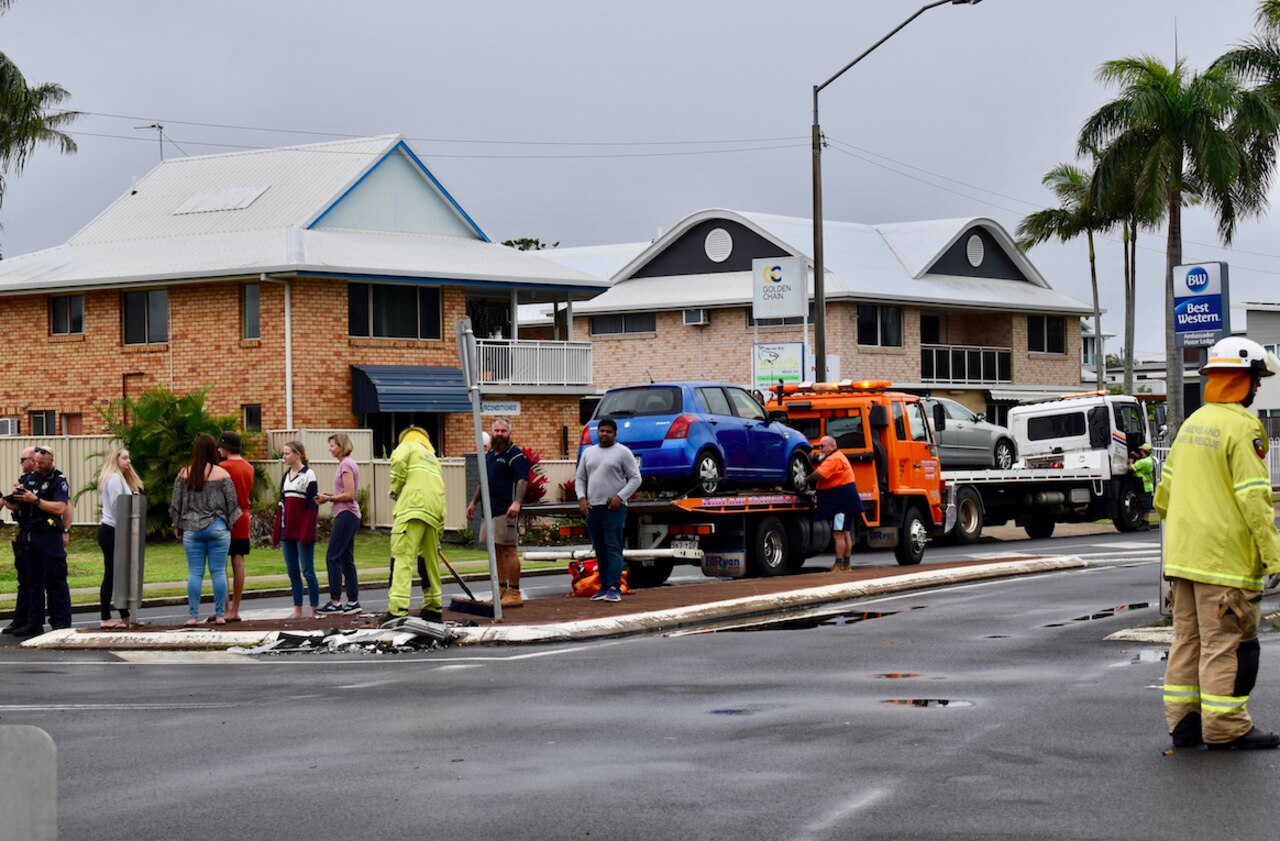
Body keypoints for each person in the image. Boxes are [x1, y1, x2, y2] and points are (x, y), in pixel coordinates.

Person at [1155, 336, 1280, 751]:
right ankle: (1226, 728)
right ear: (1240, 381)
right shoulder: (1244, 428)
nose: (1258, 387)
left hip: (1183, 559)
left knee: (1187, 642)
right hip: (1223, 562)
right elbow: (1254, 499)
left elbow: (1163, 495)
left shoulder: (1192, 424)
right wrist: (1273, 555)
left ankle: (1185, 726)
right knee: (1226, 645)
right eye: (1255, 379)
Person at [170, 434, 241, 627]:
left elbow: (176, 503)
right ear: (212, 450)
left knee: (195, 573)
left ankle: (193, 616)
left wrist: (177, 525)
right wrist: (228, 524)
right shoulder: (222, 474)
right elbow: (233, 503)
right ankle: (220, 615)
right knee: (218, 572)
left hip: (192, 529)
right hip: (217, 527)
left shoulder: (184, 473)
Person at [385, 426, 447, 624]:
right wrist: (440, 528)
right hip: (433, 513)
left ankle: (397, 609)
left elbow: (398, 461)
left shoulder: (408, 446)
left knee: (402, 557)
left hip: (411, 508)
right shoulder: (433, 459)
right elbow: (441, 492)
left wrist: (396, 487)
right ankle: (433, 607)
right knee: (429, 562)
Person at [575, 417, 641, 604]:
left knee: (613, 547)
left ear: (615, 434)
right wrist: (581, 498)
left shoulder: (623, 453)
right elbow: (580, 478)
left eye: (608, 432)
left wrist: (620, 497)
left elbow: (636, 478)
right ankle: (603, 585)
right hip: (593, 508)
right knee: (600, 548)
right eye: (601, 431)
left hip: (614, 509)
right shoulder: (589, 453)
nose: (604, 434)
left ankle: (614, 587)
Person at [466, 417, 529, 608]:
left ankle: (514, 592)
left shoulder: (515, 455)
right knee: (497, 551)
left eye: (503, 431)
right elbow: (483, 482)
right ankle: (501, 590)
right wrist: (473, 503)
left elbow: (522, 480)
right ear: (491, 432)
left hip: (505, 510)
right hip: (489, 511)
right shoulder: (489, 456)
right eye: (497, 431)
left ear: (510, 433)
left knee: (509, 550)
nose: (499, 434)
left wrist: (517, 502)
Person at [10, 446, 73, 636]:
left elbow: (60, 507)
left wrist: (35, 500)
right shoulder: (30, 478)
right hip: (30, 535)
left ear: (51, 461)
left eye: (41, 463)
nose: (37, 465)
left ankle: (60, 622)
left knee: (55, 579)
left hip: (49, 535)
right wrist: (17, 496)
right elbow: (18, 504)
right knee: (32, 581)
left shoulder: (58, 480)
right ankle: (33, 623)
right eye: (35, 462)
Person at [272, 440, 320, 620]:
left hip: (303, 532)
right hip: (287, 531)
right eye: (283, 453)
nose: (284, 456)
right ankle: (297, 609)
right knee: (293, 572)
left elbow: (312, 506)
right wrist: (277, 530)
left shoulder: (309, 475)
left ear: (297, 454)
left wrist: (307, 531)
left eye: (287, 453)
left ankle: (314, 610)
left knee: (308, 570)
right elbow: (281, 505)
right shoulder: (286, 476)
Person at [316, 433, 362, 615]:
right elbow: (345, 492)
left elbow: (350, 494)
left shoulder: (346, 465)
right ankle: (353, 601)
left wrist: (329, 498)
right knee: (345, 558)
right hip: (348, 513)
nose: (330, 448)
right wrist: (330, 496)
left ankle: (335, 602)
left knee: (332, 557)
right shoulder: (346, 464)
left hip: (346, 514)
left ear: (341, 446)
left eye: (333, 445)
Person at [97, 447, 143, 629]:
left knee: (118, 574)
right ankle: (105, 617)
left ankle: (125, 616)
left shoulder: (118, 478)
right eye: (124, 458)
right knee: (111, 574)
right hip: (112, 530)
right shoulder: (115, 478)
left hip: (113, 529)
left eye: (128, 457)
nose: (128, 461)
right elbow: (120, 507)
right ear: (115, 459)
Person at [805, 435, 865, 572]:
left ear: (832, 446)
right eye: (819, 446)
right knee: (846, 532)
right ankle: (846, 564)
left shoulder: (833, 459)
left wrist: (805, 479)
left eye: (822, 446)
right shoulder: (838, 456)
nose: (820, 449)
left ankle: (839, 564)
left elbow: (820, 474)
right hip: (846, 500)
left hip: (840, 502)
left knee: (838, 533)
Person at [217, 431, 255, 622]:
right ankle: (236, 610)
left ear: (226, 447)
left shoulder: (222, 467)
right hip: (243, 515)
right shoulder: (249, 467)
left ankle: (225, 608)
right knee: (238, 561)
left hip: (224, 517)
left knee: (220, 563)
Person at [2, 448, 40, 636]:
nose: (20, 463)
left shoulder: (41, 480)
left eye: (23, 459)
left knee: (34, 581)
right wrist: (13, 504)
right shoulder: (23, 479)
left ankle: (33, 621)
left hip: (37, 534)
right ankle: (19, 619)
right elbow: (19, 509)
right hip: (23, 532)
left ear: (33, 460)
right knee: (23, 580)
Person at [1128, 442, 1155, 530]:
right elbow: (1141, 459)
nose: (1140, 452)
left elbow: (1131, 468)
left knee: (1144, 506)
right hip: (1146, 485)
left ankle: (1145, 523)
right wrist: (1136, 456)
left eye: (1141, 450)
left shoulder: (1143, 462)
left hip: (1143, 485)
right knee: (1144, 505)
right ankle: (1144, 523)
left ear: (1144, 451)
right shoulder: (1148, 460)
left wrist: (1131, 460)